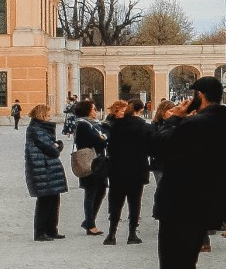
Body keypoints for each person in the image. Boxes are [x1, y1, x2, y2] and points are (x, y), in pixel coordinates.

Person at [147, 77, 226, 269]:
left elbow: (158, 148)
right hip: (205, 207)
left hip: (179, 206)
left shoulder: (193, 124)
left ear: (199, 95)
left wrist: (172, 119)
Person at [101, 98, 152, 245]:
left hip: (117, 169)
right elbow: (150, 147)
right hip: (137, 169)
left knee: (115, 201)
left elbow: (108, 143)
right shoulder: (144, 127)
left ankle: (111, 234)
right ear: (140, 110)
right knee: (134, 202)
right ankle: (132, 234)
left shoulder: (115, 125)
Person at [23, 104, 69, 240]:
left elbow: (52, 146)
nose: (50, 118)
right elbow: (51, 149)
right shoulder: (36, 129)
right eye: (48, 115)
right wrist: (58, 146)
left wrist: (57, 145)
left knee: (54, 199)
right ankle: (40, 232)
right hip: (41, 168)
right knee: (44, 201)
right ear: (41, 115)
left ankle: (51, 229)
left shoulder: (42, 128)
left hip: (47, 168)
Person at [69, 100, 109, 236]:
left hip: (99, 162)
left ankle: (89, 221)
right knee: (91, 193)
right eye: (93, 109)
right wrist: (102, 138)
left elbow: (105, 136)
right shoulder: (83, 125)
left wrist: (103, 138)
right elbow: (99, 141)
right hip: (89, 162)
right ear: (86, 111)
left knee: (101, 190)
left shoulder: (95, 124)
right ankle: (90, 224)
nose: (95, 111)